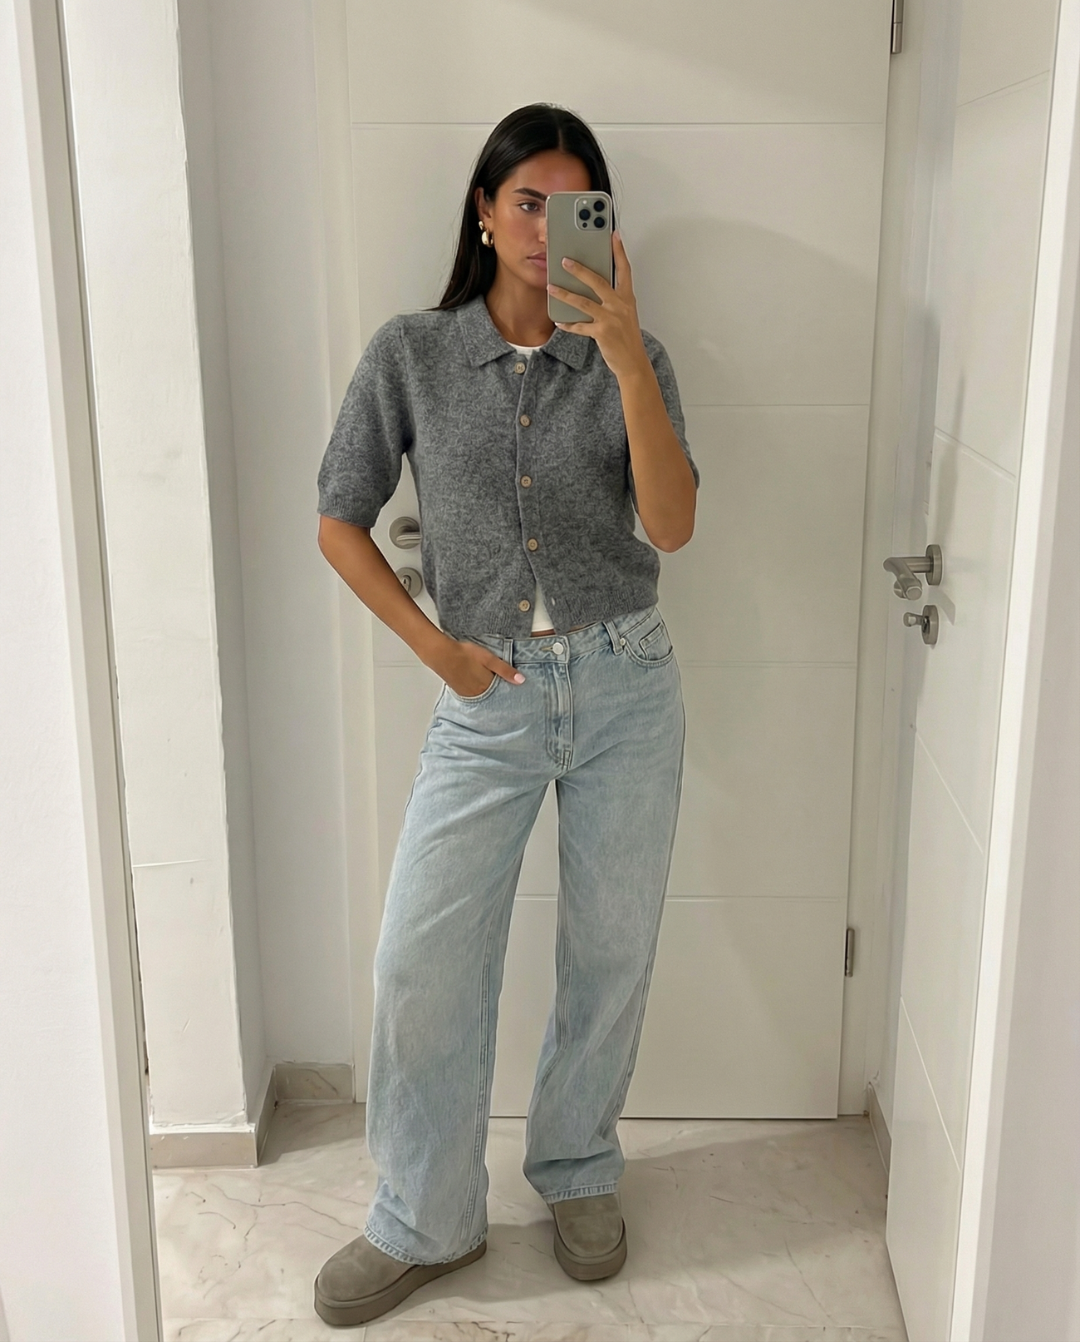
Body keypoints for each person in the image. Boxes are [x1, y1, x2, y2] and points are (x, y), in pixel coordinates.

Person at [312, 102, 699, 1329]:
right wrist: (437, 649)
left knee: (609, 949)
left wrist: (625, 357)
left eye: (572, 205)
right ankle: (426, 1216)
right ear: (483, 211)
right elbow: (339, 517)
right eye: (525, 200)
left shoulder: (635, 357)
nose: (544, 227)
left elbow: (673, 525)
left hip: (628, 683)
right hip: (487, 698)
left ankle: (577, 1166)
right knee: (420, 957)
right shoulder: (412, 354)